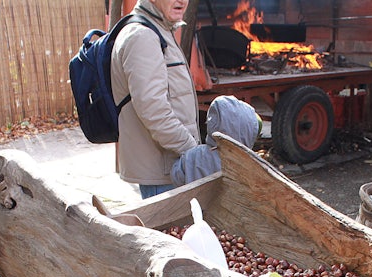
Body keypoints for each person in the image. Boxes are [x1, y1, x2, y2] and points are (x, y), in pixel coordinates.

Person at [111, 0, 201, 199]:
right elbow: (154, 112)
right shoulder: (143, 36)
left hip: (170, 166)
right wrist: (192, 150)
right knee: (167, 231)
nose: (182, 1)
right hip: (162, 173)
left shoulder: (158, 30)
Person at [171, 95, 262, 186]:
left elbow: (176, 177)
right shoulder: (249, 164)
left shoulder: (192, 156)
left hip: (196, 200)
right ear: (248, 132)